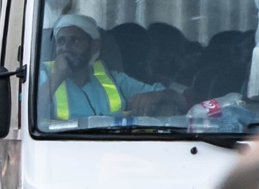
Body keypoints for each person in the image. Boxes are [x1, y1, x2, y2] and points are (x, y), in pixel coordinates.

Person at [36, 15, 174, 123]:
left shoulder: (113, 78)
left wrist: (155, 96)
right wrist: (58, 75)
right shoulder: (42, 75)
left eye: (75, 40)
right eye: (61, 41)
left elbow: (177, 98)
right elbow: (23, 116)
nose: (66, 48)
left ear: (94, 46)